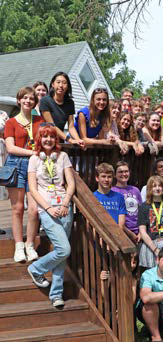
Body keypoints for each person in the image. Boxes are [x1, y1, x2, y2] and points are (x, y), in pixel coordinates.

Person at [27, 124, 74, 307]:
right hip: (47, 209)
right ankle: (36, 268)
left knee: (61, 252)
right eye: (44, 136)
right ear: (40, 139)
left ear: (56, 139)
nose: (48, 140)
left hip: (64, 207)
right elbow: (33, 188)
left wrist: (65, 203)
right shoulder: (34, 159)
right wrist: (47, 208)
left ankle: (56, 295)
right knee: (64, 249)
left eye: (52, 137)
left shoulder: (62, 156)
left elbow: (70, 183)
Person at [4, 87, 43, 262]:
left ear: (35, 102)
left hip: (34, 166)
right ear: (19, 100)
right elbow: (10, 148)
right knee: (18, 208)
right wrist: (32, 153)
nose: (28, 101)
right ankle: (19, 246)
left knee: (34, 210)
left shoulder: (39, 120)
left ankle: (30, 244)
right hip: (16, 164)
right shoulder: (11, 122)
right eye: (24, 98)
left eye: (31, 98)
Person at [39, 72, 84, 146]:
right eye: (58, 82)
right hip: (45, 140)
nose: (61, 85)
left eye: (64, 83)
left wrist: (78, 140)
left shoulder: (70, 103)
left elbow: (71, 127)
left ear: (68, 86)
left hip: (60, 141)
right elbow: (51, 126)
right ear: (53, 84)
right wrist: (69, 140)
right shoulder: (45, 101)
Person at [112, 161, 142, 243]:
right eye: (120, 172)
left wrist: (141, 232)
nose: (124, 174)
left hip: (139, 232)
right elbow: (115, 218)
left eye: (126, 171)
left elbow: (142, 212)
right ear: (115, 174)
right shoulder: (112, 192)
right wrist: (130, 234)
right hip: (123, 232)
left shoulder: (135, 190)